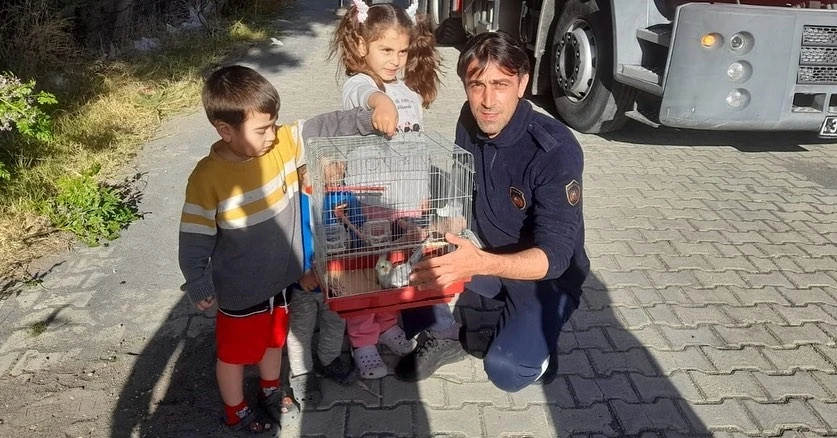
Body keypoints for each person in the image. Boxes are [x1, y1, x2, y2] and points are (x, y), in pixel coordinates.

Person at [178, 65, 379, 435]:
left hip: (282, 280)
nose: (272, 135)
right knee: (235, 354)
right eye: (262, 129)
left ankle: (270, 389)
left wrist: (369, 116)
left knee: (274, 341)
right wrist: (196, 279)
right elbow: (194, 236)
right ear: (225, 130)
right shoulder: (207, 178)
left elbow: (323, 125)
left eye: (274, 124)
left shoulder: (282, 144)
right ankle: (235, 410)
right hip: (241, 289)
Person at [397, 31, 591, 393]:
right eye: (477, 85)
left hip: (544, 277)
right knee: (405, 251)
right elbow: (464, 198)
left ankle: (540, 340)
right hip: (484, 250)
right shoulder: (468, 120)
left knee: (506, 369)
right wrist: (432, 228)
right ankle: (444, 333)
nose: (487, 100)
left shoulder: (554, 150)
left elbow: (556, 258)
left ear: (522, 84)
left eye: (500, 84)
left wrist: (479, 263)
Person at [327, 0, 443, 379]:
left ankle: (388, 323)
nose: (395, 60)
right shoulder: (361, 85)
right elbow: (364, 96)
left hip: (405, 203)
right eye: (386, 50)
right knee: (364, 276)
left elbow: (416, 144)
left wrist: (422, 192)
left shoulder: (406, 89)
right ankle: (362, 341)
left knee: (395, 272)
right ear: (363, 46)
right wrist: (381, 102)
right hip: (370, 203)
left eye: (402, 51)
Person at [284, 164, 359, 410]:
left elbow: (359, 224)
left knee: (336, 321)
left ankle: (329, 358)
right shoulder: (295, 204)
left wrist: (354, 222)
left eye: (341, 164)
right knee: (300, 330)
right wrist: (301, 272)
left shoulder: (342, 195)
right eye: (333, 164)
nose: (341, 169)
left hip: (336, 278)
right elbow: (289, 240)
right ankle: (301, 373)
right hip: (305, 283)